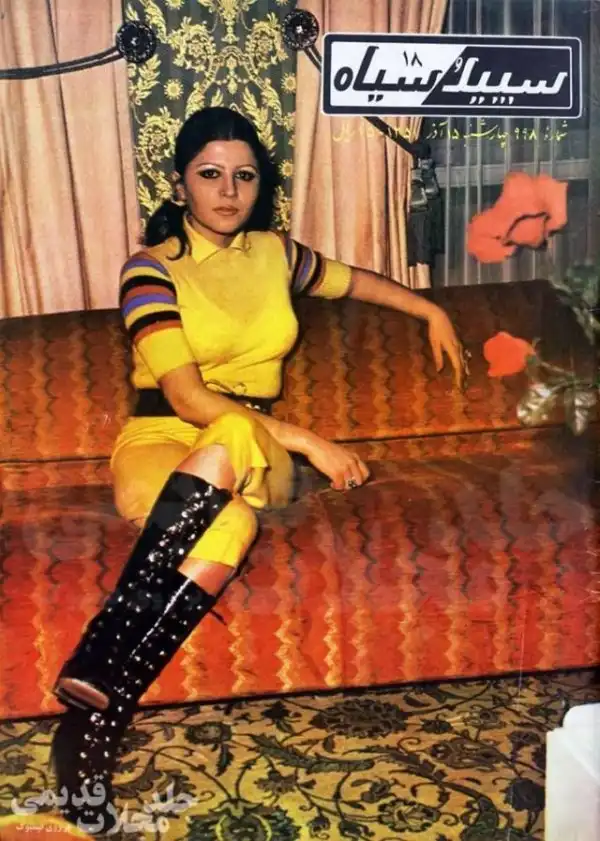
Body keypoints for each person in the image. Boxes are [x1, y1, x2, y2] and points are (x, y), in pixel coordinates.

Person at [50, 106, 464, 832]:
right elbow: (187, 398)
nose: (228, 190)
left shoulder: (276, 254)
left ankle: (99, 651)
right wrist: (312, 441)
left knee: (239, 429)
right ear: (179, 184)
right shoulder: (149, 269)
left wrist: (429, 309)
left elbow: (354, 282)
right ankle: (94, 727)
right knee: (231, 523)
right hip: (161, 439)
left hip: (257, 454)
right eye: (210, 174)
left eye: (244, 176)